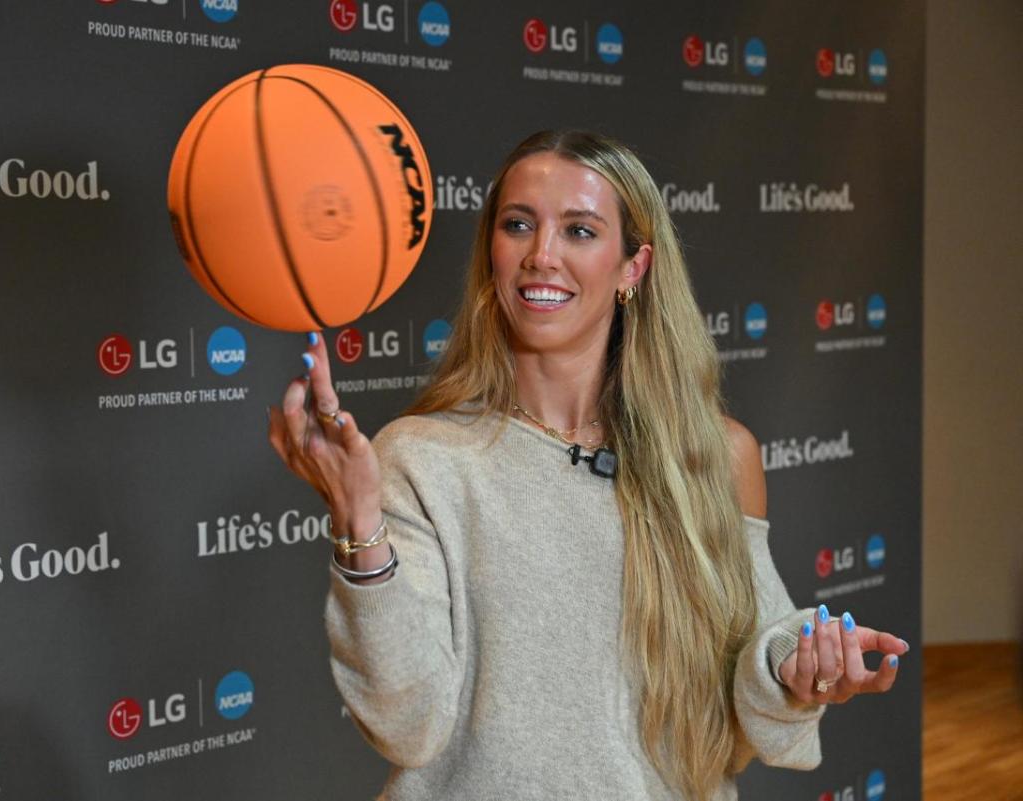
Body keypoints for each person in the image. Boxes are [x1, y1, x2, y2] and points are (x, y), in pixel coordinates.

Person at [268, 130, 908, 800]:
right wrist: (358, 528)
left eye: (579, 230)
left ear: (633, 267)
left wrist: (797, 668)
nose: (541, 256)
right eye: (519, 225)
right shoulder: (421, 456)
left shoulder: (717, 454)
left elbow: (755, 662)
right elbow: (409, 726)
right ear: (492, 251)